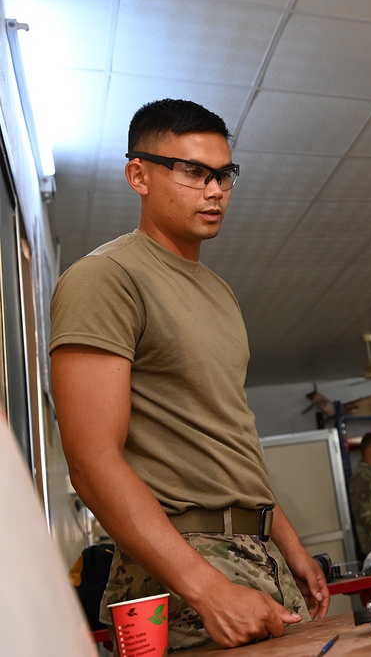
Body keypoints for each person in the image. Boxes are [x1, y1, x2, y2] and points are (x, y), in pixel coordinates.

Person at [49, 99, 329, 653]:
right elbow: (91, 461)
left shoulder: (218, 291)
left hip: (255, 551)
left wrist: (287, 540)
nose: (215, 189)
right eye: (194, 172)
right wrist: (206, 589)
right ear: (138, 175)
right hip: (181, 567)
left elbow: (225, 432)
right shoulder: (105, 280)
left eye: (224, 174)